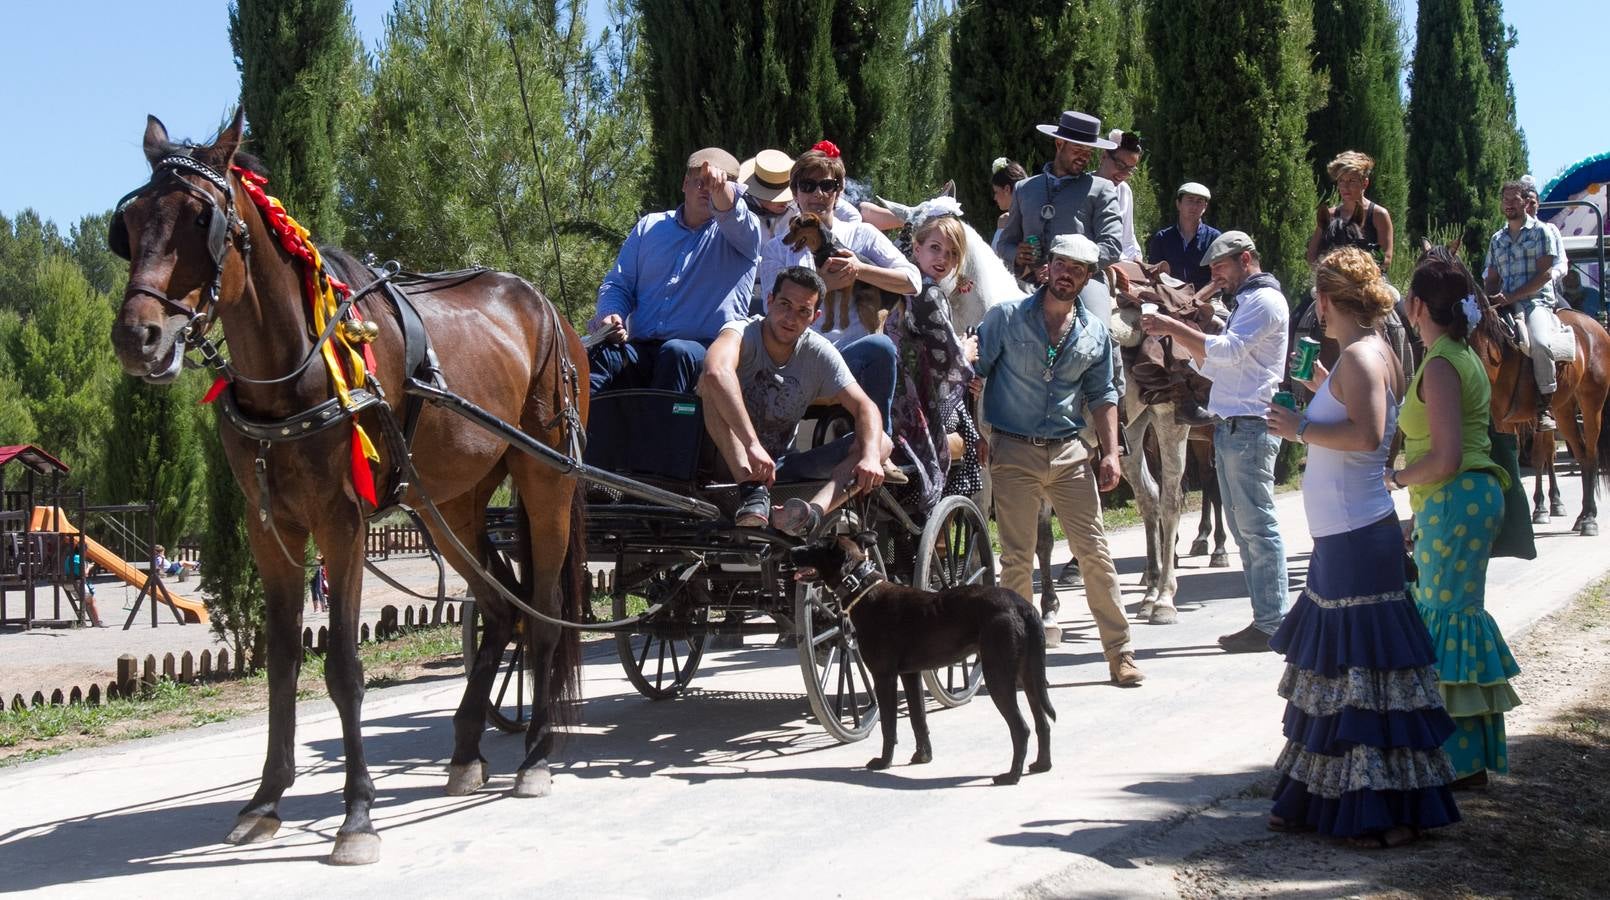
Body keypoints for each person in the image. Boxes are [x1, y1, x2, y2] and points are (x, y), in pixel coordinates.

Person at [1263, 247, 1460, 843]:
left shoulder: (1359, 355)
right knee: (1352, 677)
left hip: (1355, 538)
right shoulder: (1366, 355)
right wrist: (1319, 390)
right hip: (1349, 536)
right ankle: (1338, 801)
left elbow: (1368, 434)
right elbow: (1360, 413)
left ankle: (1377, 810)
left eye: (1315, 299)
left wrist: (1298, 425)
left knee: (1356, 677)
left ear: (1326, 301)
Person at [974, 233, 1143, 687]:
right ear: (1048, 267)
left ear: (1087, 277)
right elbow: (975, 372)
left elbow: (1104, 394)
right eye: (1062, 264)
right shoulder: (1006, 318)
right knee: (1017, 558)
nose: (1068, 274)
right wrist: (974, 432)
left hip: (1069, 452)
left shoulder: (1094, 333)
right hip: (1013, 449)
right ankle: (1018, 659)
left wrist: (1110, 452)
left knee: (1094, 553)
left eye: (1079, 269)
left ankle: (1120, 652)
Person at [1389, 246, 1520, 791]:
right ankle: (1465, 755)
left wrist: (1394, 480)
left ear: (1417, 305)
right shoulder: (1459, 354)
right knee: (1453, 617)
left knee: (1447, 622)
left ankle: (1456, 763)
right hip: (1463, 498)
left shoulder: (1441, 362)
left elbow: (1442, 459)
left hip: (1456, 494)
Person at [1141, 230, 1291, 652]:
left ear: (1246, 259)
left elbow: (1226, 352)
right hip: (1233, 425)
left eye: (1220, 267)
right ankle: (1267, 618)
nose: (1215, 276)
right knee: (1247, 532)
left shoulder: (1262, 301)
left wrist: (1173, 326)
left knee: (1257, 529)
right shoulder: (1249, 302)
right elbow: (1219, 365)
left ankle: (1272, 621)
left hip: (1248, 427)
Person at [699, 266, 898, 536]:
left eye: (803, 311)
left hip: (779, 467)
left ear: (814, 317)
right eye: (784, 304)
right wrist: (752, 444)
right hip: (725, 460)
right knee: (710, 386)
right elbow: (716, 370)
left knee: (880, 442)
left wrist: (872, 457)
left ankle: (811, 514)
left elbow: (865, 406)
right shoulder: (741, 332)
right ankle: (751, 492)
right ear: (769, 301)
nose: (791, 317)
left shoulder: (818, 351)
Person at [757, 144, 914, 425]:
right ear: (795, 193)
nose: (818, 193)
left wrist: (861, 269)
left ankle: (880, 445)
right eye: (808, 185)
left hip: (853, 358)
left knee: (881, 346)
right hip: (802, 358)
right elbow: (773, 309)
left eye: (827, 185)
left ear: (838, 192)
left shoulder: (862, 235)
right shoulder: (776, 249)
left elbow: (912, 281)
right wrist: (823, 285)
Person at [588, 147, 763, 395]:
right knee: (598, 354)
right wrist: (610, 313)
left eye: (716, 184)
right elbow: (618, 284)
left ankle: (658, 434)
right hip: (641, 349)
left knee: (675, 353)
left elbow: (732, 213)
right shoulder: (649, 227)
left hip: (702, 353)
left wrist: (721, 190)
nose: (707, 189)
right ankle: (578, 432)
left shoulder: (743, 234)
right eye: (700, 182)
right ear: (684, 184)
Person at [885, 209, 981, 513]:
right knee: (966, 429)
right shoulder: (928, 292)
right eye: (935, 248)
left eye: (952, 254)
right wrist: (967, 354)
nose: (942, 259)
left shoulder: (902, 285)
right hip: (916, 401)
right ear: (917, 249)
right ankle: (939, 525)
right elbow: (948, 356)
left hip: (895, 394)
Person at [996, 109, 1123, 321]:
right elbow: (1005, 244)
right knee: (994, 322)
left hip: (1083, 282)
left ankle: (1110, 353)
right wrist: (1018, 254)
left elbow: (1112, 245)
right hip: (1029, 279)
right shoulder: (1024, 188)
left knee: (1099, 330)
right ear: (1059, 144)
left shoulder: (1101, 189)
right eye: (1078, 149)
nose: (1084, 157)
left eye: (1088, 151)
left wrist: (1070, 268)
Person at [1484, 179, 1566, 430]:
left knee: (1539, 343)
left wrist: (1513, 296)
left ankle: (1545, 405)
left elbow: (1544, 274)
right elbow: (1492, 276)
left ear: (1525, 201)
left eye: (1514, 199)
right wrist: (1488, 300)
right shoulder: (1498, 239)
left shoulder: (1542, 232)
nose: (1509, 204)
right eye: (1505, 200)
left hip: (1535, 302)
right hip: (1505, 304)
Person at [1306, 151, 1395, 271]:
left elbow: (1386, 258)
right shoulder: (1330, 215)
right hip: (1332, 278)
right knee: (1314, 291)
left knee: (1391, 291)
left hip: (1371, 279)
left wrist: (1360, 273)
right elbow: (1312, 255)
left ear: (1365, 183)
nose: (1345, 187)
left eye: (1352, 181)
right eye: (1341, 181)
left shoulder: (1379, 215)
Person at [1146, 182, 1221, 292]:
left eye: (1199, 201)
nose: (1194, 206)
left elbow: (1218, 278)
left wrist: (1196, 299)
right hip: (1170, 296)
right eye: (1190, 200)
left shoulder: (1214, 238)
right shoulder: (1162, 238)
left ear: (1205, 207)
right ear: (1178, 204)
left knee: (1218, 310)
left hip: (1207, 298)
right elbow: (1154, 274)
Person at [1095, 129, 1144, 262]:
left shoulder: (1124, 190)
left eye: (1130, 170)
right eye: (1120, 165)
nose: (1123, 174)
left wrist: (1136, 258)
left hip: (1122, 264)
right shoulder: (1083, 186)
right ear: (1104, 156)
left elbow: (1127, 239)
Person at [989, 158, 1029, 256]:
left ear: (1007, 189)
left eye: (996, 192)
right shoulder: (1002, 219)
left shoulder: (1029, 220)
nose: (994, 198)